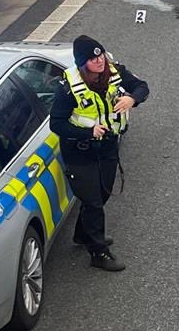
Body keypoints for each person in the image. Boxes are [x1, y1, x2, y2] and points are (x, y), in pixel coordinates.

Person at [50, 35, 151, 272]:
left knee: (103, 193)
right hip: (79, 151)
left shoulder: (115, 71)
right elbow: (57, 124)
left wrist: (132, 98)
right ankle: (98, 252)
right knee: (93, 202)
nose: (99, 61)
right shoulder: (68, 88)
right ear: (82, 63)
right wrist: (87, 132)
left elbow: (142, 86)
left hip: (107, 146)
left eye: (101, 55)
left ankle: (83, 235)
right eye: (93, 58)